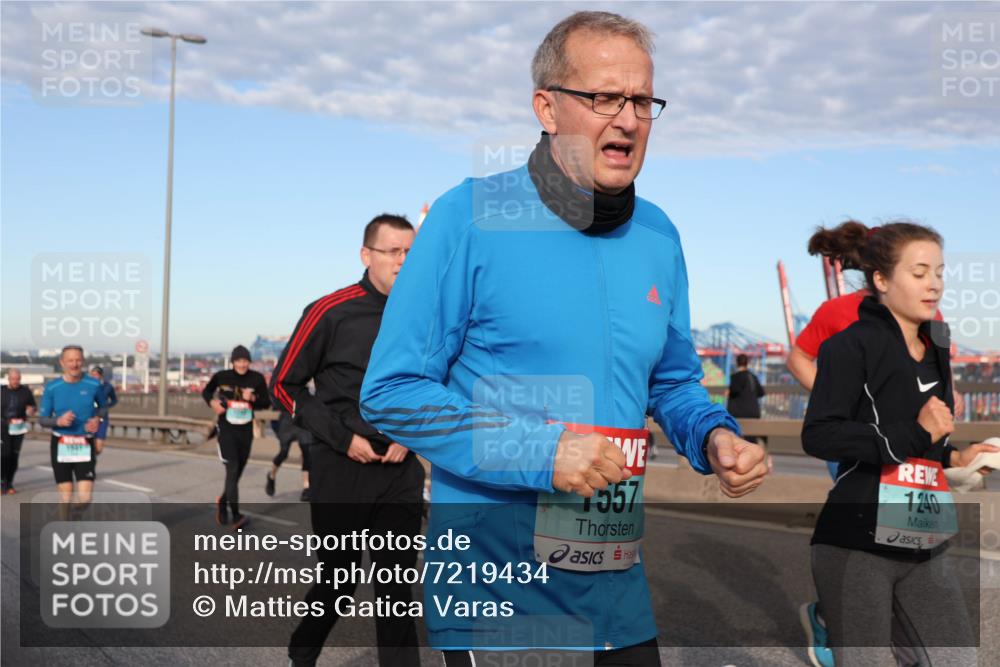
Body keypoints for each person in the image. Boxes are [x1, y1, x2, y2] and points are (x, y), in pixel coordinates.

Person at [360, 12, 769, 665]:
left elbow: (671, 382)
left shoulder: (660, 234)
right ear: (547, 107)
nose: (628, 119)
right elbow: (392, 393)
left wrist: (714, 436)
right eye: (605, 97)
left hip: (618, 591)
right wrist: (542, 450)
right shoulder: (467, 217)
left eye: (641, 99)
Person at [802, 221, 999, 666]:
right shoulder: (849, 346)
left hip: (924, 539)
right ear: (882, 280)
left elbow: (924, 444)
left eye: (940, 273)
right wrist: (916, 433)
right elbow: (819, 434)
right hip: (857, 543)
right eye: (920, 272)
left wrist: (957, 456)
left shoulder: (938, 347)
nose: (934, 284)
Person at [271, 213, 423, 667]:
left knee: (396, 585)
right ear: (367, 255)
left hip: (400, 468)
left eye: (411, 253)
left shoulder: (425, 314)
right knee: (339, 578)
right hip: (341, 466)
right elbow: (284, 384)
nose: (403, 261)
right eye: (393, 252)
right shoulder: (330, 311)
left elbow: (437, 383)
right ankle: (303, 649)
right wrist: (343, 438)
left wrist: (412, 436)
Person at [202, 345, 270, 530]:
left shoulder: (256, 378)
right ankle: (237, 516)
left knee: (237, 472)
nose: (242, 364)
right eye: (239, 361)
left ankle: (222, 502)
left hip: (246, 431)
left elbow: (267, 402)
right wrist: (213, 403)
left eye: (245, 361)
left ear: (249, 361)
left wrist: (253, 397)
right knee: (232, 470)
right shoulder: (222, 376)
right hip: (226, 430)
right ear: (233, 362)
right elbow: (206, 391)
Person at [37, 346, 108, 512]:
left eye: (78, 360)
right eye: (70, 360)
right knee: (66, 496)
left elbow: (103, 408)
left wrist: (98, 419)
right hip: (61, 442)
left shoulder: (93, 384)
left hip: (84, 442)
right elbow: (42, 419)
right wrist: (59, 421)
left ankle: (74, 519)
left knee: (85, 498)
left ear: (82, 361)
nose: (74, 364)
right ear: (62, 363)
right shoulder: (52, 387)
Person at [2, 368, 37, 494]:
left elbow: (33, 406)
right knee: (4, 455)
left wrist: (31, 410)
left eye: (18, 379)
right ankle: (1, 482)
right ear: (9, 379)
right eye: (13, 379)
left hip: (18, 428)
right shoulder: (2, 391)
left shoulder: (25, 391)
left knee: (14, 457)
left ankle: (9, 483)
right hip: (3, 428)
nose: (16, 381)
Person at [265, 409, 312, 501]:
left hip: (302, 420)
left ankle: (306, 487)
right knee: (284, 453)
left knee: (307, 453)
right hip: (287, 421)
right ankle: (271, 475)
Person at [726, 353, 766, 444]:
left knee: (739, 439)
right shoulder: (753, 376)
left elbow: (735, 390)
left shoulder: (735, 377)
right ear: (747, 363)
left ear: (737, 363)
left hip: (740, 413)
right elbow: (761, 393)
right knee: (752, 440)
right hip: (754, 412)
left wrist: (729, 392)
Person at [89, 366, 118, 454]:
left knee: (99, 447)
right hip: (89, 417)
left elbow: (114, 400)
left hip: (102, 417)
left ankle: (93, 457)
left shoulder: (108, 387)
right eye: (92, 375)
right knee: (89, 442)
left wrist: (106, 406)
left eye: (96, 375)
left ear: (101, 376)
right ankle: (89, 462)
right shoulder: (87, 386)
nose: (94, 377)